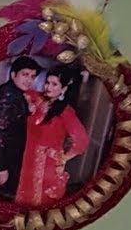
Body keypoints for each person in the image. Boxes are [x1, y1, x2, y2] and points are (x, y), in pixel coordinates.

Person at [15, 63, 90, 207]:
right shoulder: (39, 101)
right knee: (23, 201)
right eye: (47, 82)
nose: (48, 87)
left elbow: (82, 140)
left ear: (64, 88)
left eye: (54, 84)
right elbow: (25, 92)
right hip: (29, 160)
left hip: (46, 165)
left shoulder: (65, 112)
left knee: (39, 204)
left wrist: (63, 157)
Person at [0, 56, 40, 201]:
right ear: (13, 74)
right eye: (25, 74)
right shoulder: (9, 95)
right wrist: (1, 168)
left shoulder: (14, 93)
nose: (29, 80)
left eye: (32, 76)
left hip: (1, 160)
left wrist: (27, 110)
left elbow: (11, 122)